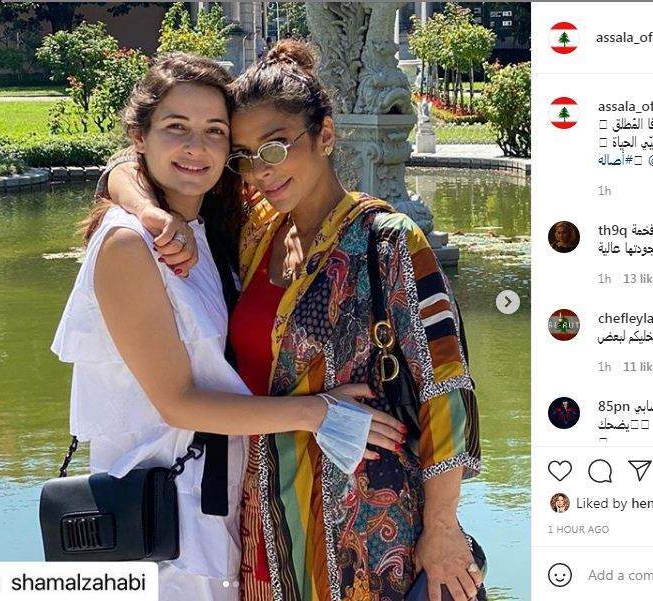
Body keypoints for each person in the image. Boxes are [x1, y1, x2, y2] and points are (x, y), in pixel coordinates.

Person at [102, 40, 485, 601]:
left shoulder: (388, 242)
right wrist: (149, 212)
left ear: (324, 135)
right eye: (245, 155)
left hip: (367, 531)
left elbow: (444, 389)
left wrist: (443, 526)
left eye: (276, 147)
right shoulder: (255, 230)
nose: (261, 170)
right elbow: (128, 164)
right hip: (262, 525)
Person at [51, 53, 403, 601]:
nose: (197, 147)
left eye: (215, 132)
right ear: (140, 136)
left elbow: (121, 172)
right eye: (176, 127)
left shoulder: (219, 228)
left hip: (218, 513)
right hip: (157, 526)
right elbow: (178, 403)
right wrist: (317, 412)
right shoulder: (129, 243)